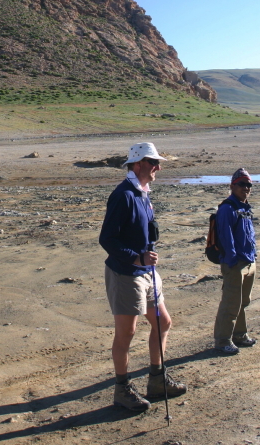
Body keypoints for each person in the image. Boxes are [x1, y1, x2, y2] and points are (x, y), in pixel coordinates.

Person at [99, 142, 187, 411]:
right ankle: (122, 389)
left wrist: (145, 258)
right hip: (126, 274)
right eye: (153, 163)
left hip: (147, 272)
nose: (157, 167)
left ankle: (157, 380)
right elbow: (107, 239)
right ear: (138, 164)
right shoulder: (124, 194)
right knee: (127, 332)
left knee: (163, 323)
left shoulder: (142, 192)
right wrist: (137, 258)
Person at [213, 167, 258, 355]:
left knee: (243, 301)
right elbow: (225, 237)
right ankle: (223, 340)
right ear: (232, 185)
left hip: (248, 262)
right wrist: (231, 262)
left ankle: (240, 334)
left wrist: (253, 256)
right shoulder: (227, 208)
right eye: (242, 184)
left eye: (248, 185)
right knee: (231, 303)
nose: (246, 188)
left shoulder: (244, 207)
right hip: (235, 264)